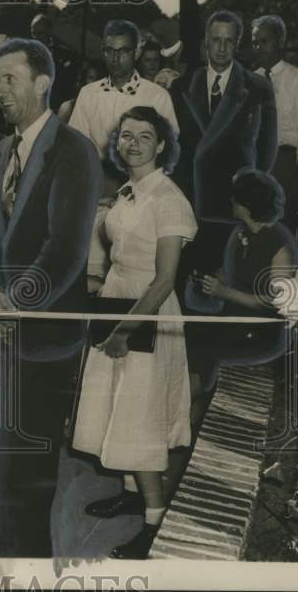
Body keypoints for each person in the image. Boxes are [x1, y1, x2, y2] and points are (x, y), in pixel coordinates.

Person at [0, 38, 102, 558]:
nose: (0, 89)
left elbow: (66, 249)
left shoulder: (75, 151)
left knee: (29, 472)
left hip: (45, 337)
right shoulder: (0, 152)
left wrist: (16, 302)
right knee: (0, 464)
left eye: (10, 78)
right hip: (1, 334)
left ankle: (26, 565)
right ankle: (4, 558)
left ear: (43, 82)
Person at [71, 106, 196, 560]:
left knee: (140, 420)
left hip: (148, 311)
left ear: (161, 144)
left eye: (145, 136)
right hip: (119, 298)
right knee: (117, 409)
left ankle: (153, 521)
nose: (134, 143)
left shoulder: (168, 198)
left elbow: (164, 280)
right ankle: (130, 492)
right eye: (126, 135)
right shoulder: (130, 191)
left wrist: (126, 329)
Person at [170, 9, 278, 280]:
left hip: (234, 205)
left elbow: (267, 147)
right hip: (191, 200)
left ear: (237, 43)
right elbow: (174, 146)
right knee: (189, 283)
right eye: (215, 39)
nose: (221, 47)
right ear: (205, 41)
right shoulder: (181, 86)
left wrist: (249, 192)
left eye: (228, 41)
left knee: (227, 282)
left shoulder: (257, 87)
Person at [186, 168, 298, 391]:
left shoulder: (281, 245)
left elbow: (274, 303)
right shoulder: (241, 232)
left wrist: (225, 293)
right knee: (188, 334)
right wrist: (208, 281)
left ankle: (193, 404)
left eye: (235, 199)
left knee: (206, 348)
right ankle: (191, 405)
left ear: (246, 207)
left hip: (262, 331)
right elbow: (228, 272)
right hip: (234, 319)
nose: (231, 201)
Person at [69, 20, 178, 195]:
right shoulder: (88, 94)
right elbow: (77, 149)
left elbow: (169, 153)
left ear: (137, 53)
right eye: (109, 51)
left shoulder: (157, 96)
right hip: (97, 187)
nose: (115, 58)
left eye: (123, 51)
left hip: (144, 190)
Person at [251, 15, 298, 243]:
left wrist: (294, 192)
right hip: (256, 168)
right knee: (256, 236)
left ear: (280, 42)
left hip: (286, 167)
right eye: (254, 42)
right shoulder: (250, 80)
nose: (259, 47)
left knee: (282, 238)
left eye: (265, 41)